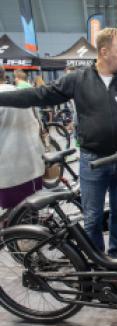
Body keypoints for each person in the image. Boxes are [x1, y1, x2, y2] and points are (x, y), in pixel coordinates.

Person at [0, 28, 117, 258]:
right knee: (92, 216)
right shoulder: (79, 79)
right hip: (93, 161)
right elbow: (38, 95)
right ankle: (96, 259)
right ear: (104, 51)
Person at [0, 66, 44, 218]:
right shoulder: (21, 92)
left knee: (14, 215)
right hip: (32, 162)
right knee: (32, 208)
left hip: (9, 169)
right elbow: (37, 121)